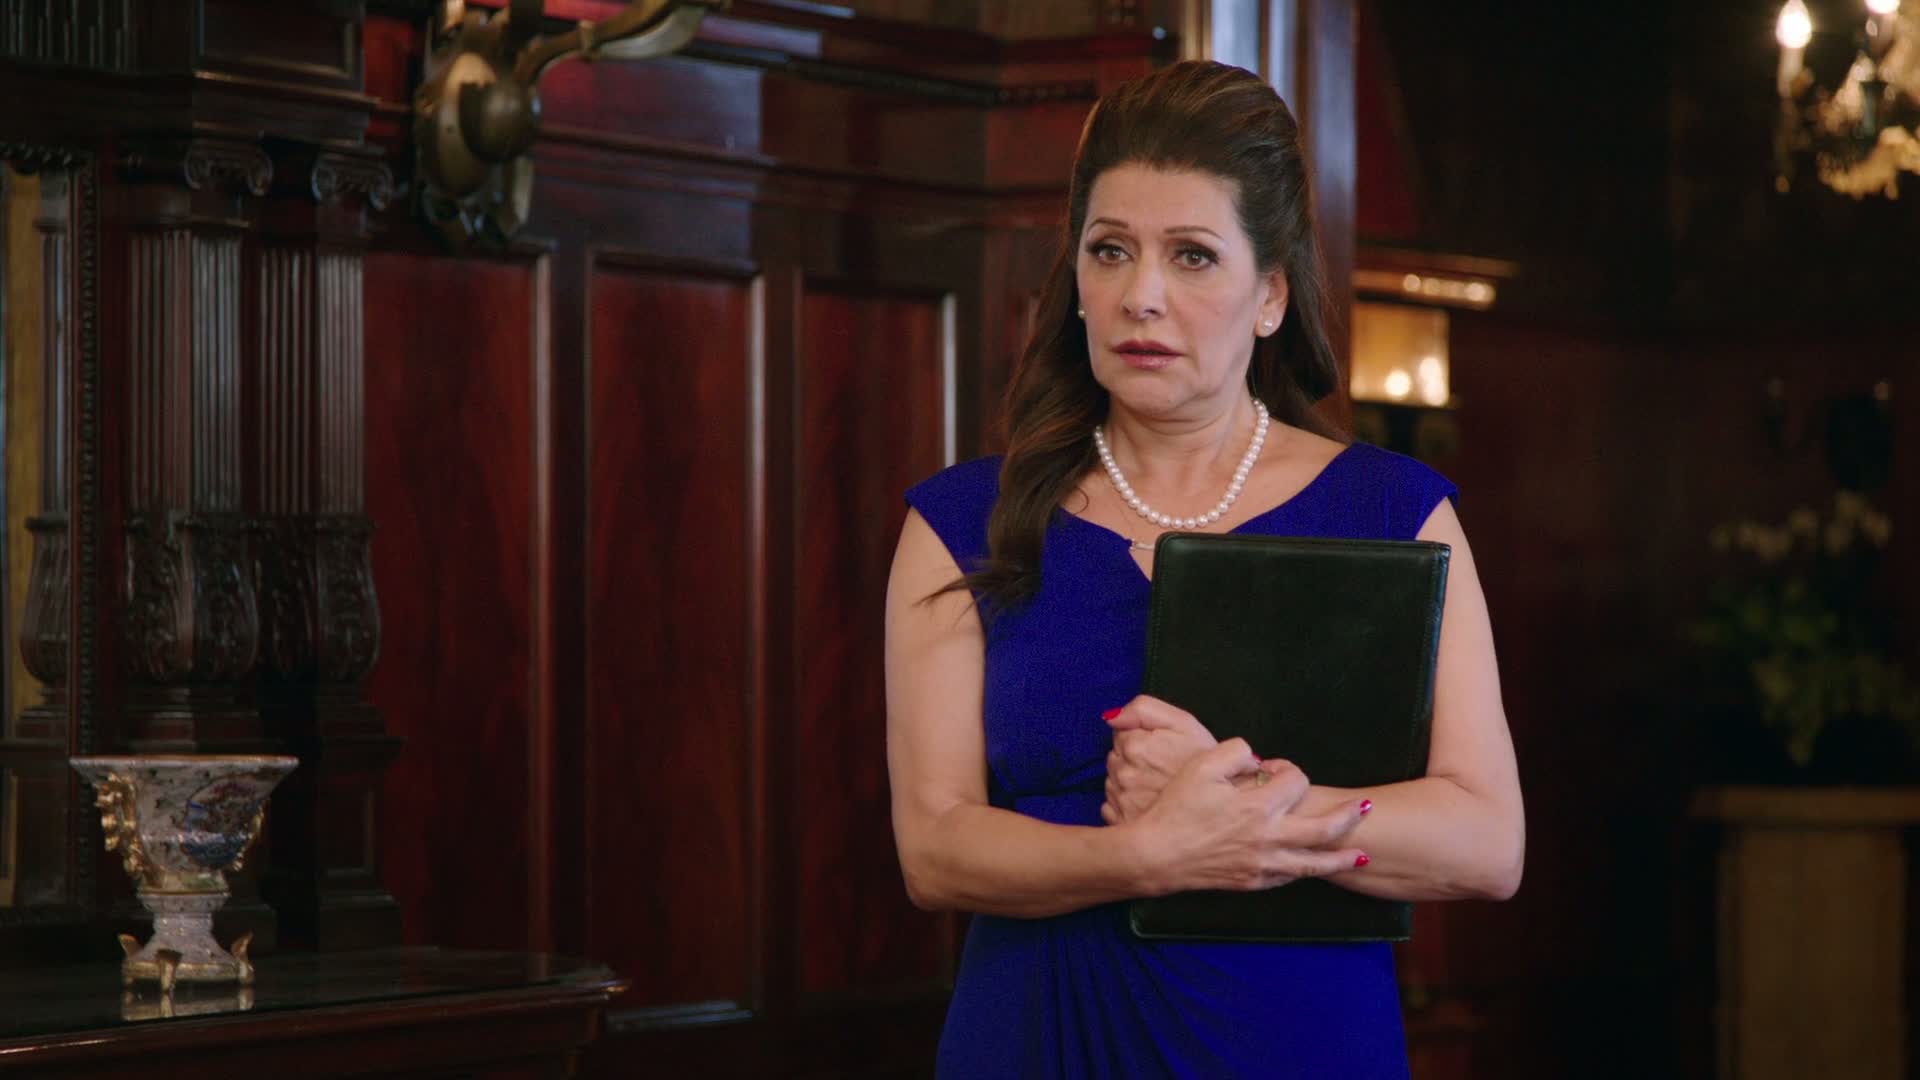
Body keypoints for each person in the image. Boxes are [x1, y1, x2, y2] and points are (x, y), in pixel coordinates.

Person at [884, 60, 1523, 1079]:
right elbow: (933, 849)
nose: (1141, 296)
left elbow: (1487, 843)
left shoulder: (1394, 512)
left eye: (1192, 256)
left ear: (1270, 296)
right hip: (1040, 1037)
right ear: (1076, 280)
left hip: (1298, 1044)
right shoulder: (963, 521)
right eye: (1110, 251)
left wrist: (1239, 804)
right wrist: (1149, 853)